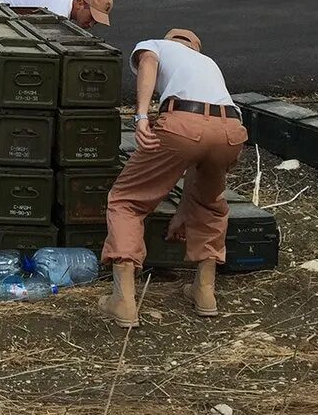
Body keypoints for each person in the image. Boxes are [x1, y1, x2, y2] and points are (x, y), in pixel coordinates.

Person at [99, 29, 247, 328]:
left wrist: (141, 116)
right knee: (210, 205)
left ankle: (124, 300)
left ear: (170, 41)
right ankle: (204, 292)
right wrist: (184, 210)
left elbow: (149, 62)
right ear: (196, 46)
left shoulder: (156, 46)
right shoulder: (207, 63)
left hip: (183, 122)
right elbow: (199, 155)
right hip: (230, 129)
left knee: (127, 201)